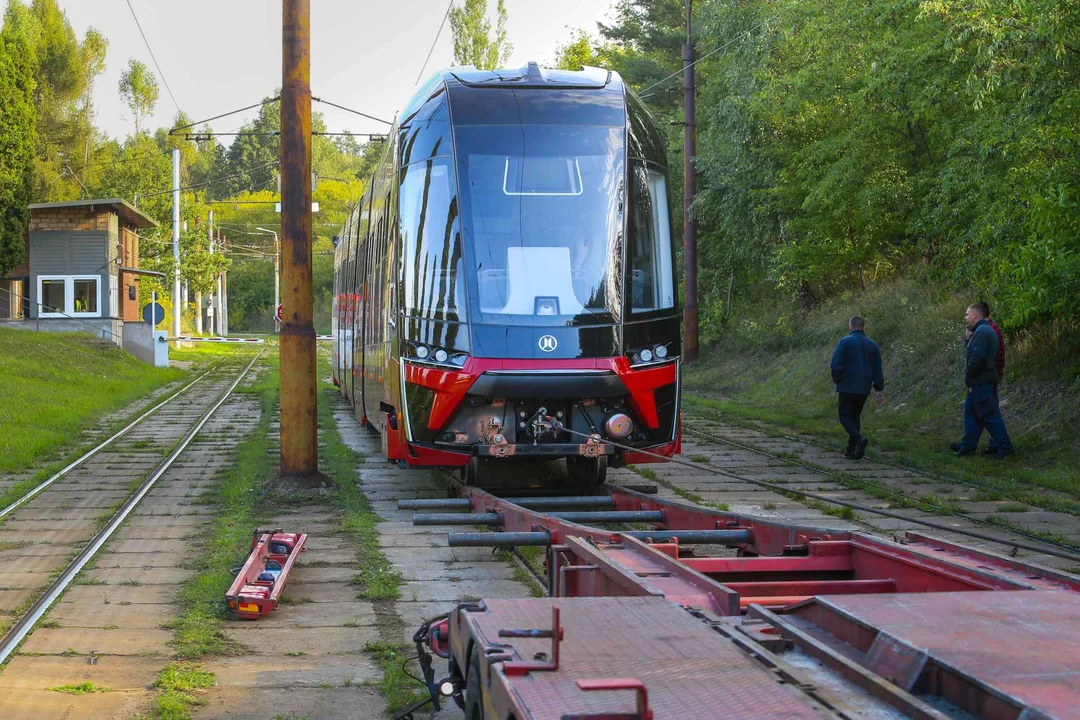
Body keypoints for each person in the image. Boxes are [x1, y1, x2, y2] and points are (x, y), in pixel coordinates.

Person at [952, 303, 1014, 459]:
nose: (965, 317)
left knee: (989, 416)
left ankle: (1005, 447)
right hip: (979, 381)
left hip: (982, 381)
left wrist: (969, 375)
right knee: (971, 413)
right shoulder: (982, 331)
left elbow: (977, 357)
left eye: (967, 314)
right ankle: (967, 447)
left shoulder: (983, 332)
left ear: (975, 315)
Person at [830, 316, 885, 459]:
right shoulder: (873, 345)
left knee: (844, 416)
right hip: (863, 388)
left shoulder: (844, 342)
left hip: (847, 386)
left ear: (850, 326)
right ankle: (851, 451)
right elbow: (877, 368)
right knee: (855, 417)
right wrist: (879, 388)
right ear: (864, 327)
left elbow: (836, 365)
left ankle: (858, 438)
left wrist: (837, 380)